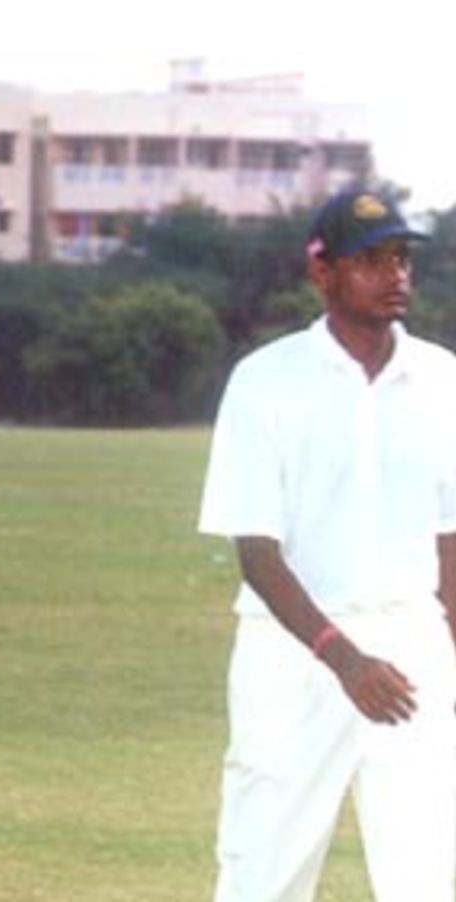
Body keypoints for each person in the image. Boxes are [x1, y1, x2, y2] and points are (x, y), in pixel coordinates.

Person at [199, 187, 456, 902]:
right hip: (294, 653)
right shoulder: (266, 381)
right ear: (323, 274)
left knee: (425, 873)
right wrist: (344, 659)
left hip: (413, 644)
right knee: (264, 870)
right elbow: (256, 550)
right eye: (371, 260)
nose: (394, 274)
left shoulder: (443, 380)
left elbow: (450, 540)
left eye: (402, 259)